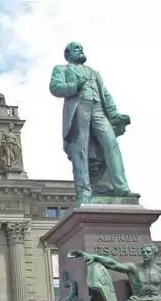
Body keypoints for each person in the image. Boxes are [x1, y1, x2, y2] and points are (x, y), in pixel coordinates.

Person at [49, 41, 133, 206]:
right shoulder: (62, 69)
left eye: (81, 48)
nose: (80, 50)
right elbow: (55, 88)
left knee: (111, 144)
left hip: (98, 109)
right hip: (79, 108)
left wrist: (114, 114)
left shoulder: (94, 72)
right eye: (76, 48)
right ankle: (84, 192)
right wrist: (74, 85)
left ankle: (121, 187)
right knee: (80, 149)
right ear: (68, 54)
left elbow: (105, 94)